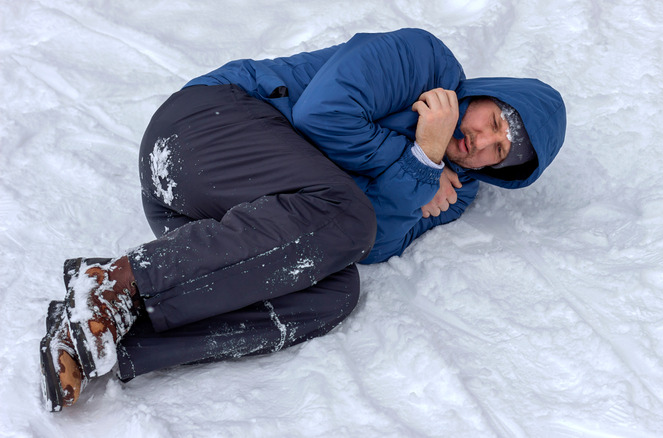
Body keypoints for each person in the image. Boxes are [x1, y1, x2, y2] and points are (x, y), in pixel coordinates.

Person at [39, 28, 566, 412]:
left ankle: (107, 337)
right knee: (346, 217)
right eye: (493, 120)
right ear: (488, 94)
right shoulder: (423, 60)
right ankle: (117, 284)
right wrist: (419, 157)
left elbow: (370, 243)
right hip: (205, 128)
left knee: (334, 292)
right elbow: (322, 113)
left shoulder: (455, 190)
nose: (481, 142)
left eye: (498, 152)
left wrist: (421, 168)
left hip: (204, 222)